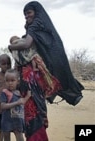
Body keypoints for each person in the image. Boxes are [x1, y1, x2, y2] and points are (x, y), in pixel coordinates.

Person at [8, 1, 84, 141]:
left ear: (37, 12)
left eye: (29, 13)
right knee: (35, 108)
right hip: (35, 77)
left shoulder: (36, 25)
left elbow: (26, 44)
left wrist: (10, 46)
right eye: (25, 15)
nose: (27, 17)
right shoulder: (40, 26)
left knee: (33, 109)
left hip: (32, 78)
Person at [0, 69, 31, 141]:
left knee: (20, 137)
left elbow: (23, 102)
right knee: (7, 138)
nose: (10, 83)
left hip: (18, 120)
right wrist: (16, 103)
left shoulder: (20, 92)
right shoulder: (4, 92)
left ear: (18, 81)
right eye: (7, 81)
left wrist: (27, 97)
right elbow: (3, 106)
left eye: (12, 80)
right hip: (7, 120)